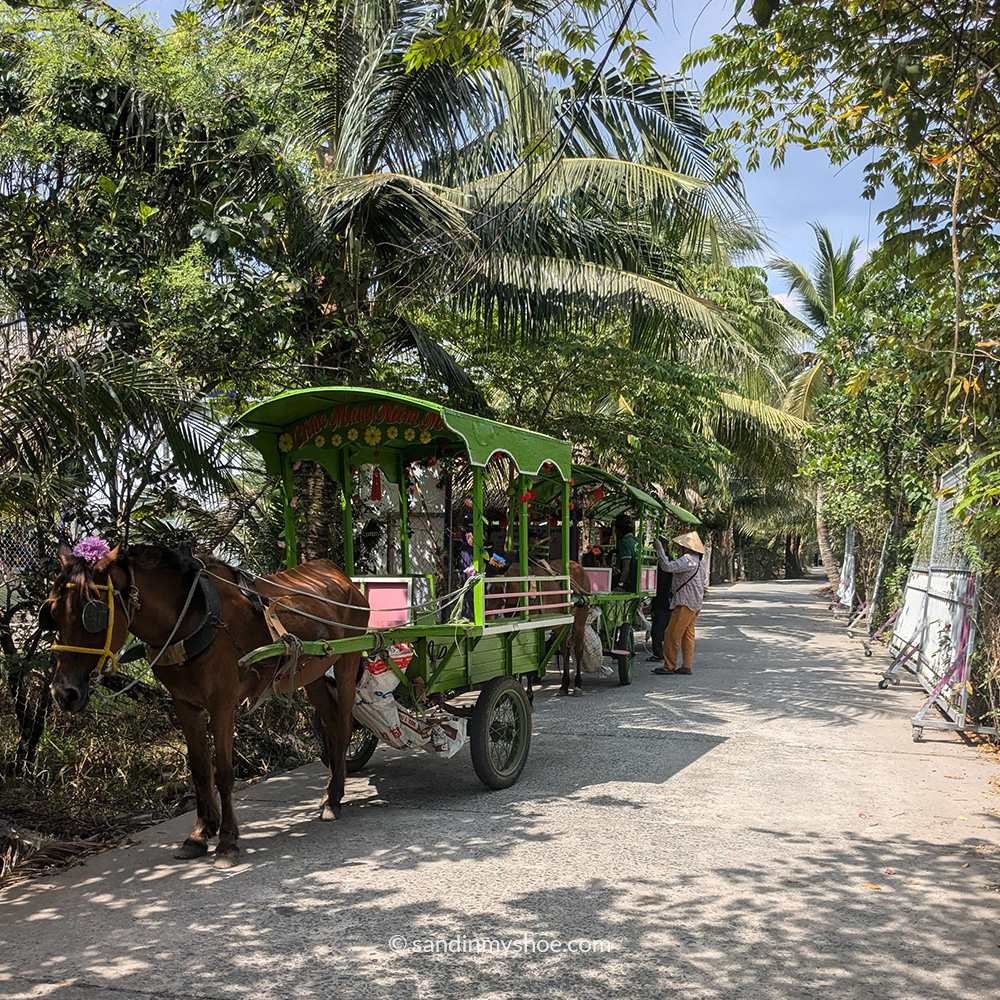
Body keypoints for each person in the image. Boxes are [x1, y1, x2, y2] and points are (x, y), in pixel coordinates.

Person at [651, 531, 706, 675]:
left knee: (671, 634)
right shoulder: (700, 561)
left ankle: (668, 666)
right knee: (688, 635)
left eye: (682, 546)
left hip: (684, 602)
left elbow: (667, 567)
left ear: (688, 547)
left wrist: (660, 551)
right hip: (695, 603)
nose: (680, 548)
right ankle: (686, 665)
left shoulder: (688, 559)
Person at [646, 534, 673, 662]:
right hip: (662, 601)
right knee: (661, 629)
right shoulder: (664, 563)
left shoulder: (666, 564)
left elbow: (661, 584)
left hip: (664, 601)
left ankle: (659, 654)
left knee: (657, 629)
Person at [613, 513, 639, 593]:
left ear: (618, 530)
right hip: (638, 584)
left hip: (629, 585)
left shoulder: (624, 542)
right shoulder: (637, 541)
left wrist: (620, 585)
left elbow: (626, 567)